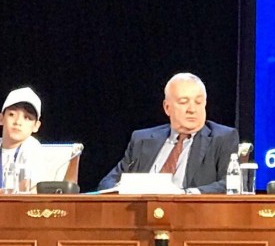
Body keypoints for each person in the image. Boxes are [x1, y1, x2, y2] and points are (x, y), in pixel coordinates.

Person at [98, 73, 239, 193]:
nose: (192, 109)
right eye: (183, 102)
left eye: (198, 102)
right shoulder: (142, 139)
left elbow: (231, 183)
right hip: (141, 210)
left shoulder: (222, 138)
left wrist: (187, 194)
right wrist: (123, 190)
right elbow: (108, 182)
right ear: (167, 107)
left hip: (190, 212)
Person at [0, 86, 44, 192]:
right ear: (1, 118)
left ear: (36, 126)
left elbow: (33, 192)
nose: (18, 122)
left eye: (27, 117)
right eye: (12, 114)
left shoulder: (34, 150)